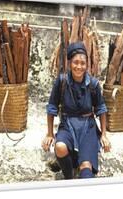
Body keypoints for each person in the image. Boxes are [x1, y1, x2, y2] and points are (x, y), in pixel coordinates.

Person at [42, 42, 111, 179]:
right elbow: (52, 108)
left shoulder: (93, 84)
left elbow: (101, 109)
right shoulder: (61, 81)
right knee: (60, 147)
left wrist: (103, 134)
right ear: (69, 63)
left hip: (88, 128)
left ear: (87, 65)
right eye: (75, 62)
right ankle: (69, 178)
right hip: (67, 125)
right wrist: (50, 133)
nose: (79, 66)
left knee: (86, 166)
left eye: (83, 63)